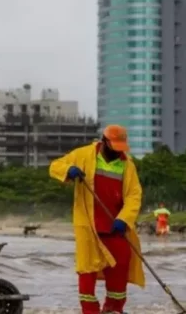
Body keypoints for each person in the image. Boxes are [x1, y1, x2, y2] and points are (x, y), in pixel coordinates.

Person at [49, 124, 144, 314]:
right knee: (87, 271)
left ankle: (113, 309)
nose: (118, 152)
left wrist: (124, 219)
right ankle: (90, 311)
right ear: (104, 141)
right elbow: (54, 166)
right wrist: (69, 170)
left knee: (120, 268)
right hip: (89, 226)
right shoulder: (84, 155)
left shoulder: (127, 164)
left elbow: (134, 195)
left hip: (115, 227)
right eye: (114, 147)